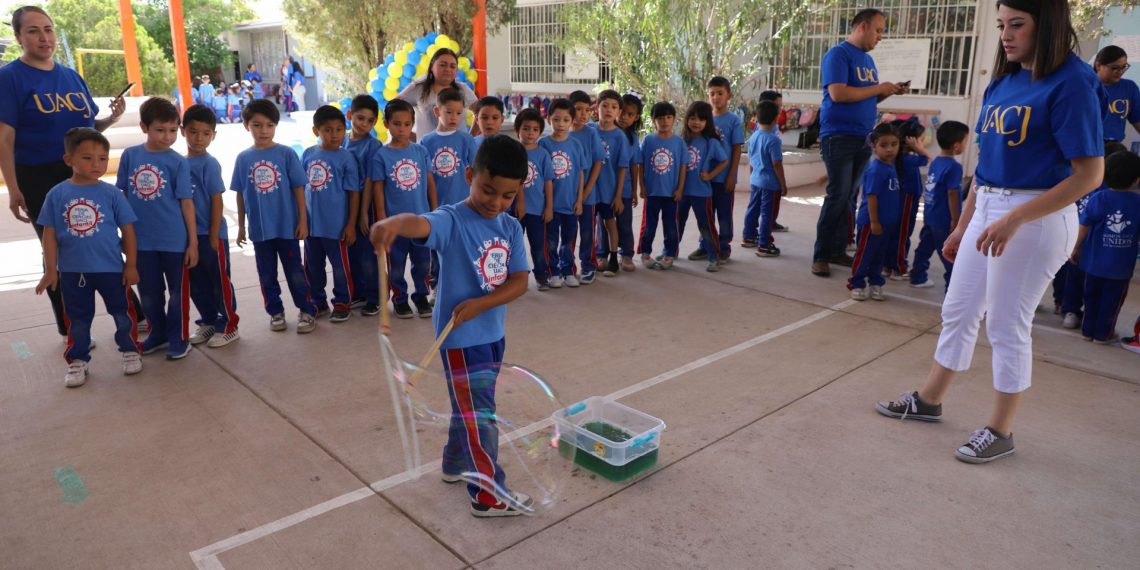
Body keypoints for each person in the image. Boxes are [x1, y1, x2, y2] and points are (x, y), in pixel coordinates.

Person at [876, 0, 1106, 464]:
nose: (1006, 35)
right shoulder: (1004, 80)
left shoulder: (1073, 82)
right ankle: (930, 399)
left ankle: (1001, 429)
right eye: (1002, 25)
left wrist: (1016, 218)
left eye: (1017, 25)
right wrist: (964, 225)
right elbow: (984, 167)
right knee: (959, 310)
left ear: (1048, 25)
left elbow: (1089, 175)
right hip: (990, 209)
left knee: (1006, 324)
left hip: (1035, 216)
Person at [369, 135, 533, 517]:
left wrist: (482, 304)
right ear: (469, 175)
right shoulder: (453, 219)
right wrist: (394, 222)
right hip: (459, 340)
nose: (496, 203)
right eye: (488, 190)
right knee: (481, 413)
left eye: (507, 196)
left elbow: (519, 281)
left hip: (492, 333)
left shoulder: (510, 228)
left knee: (471, 406)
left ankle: (455, 462)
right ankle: (488, 493)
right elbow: (421, 224)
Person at [1, 5, 129, 337]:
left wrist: (112, 118)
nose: (44, 37)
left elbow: (88, 126)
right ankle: (71, 326)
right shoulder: (9, 77)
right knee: (55, 247)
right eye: (33, 31)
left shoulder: (71, 75)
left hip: (83, 172)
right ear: (18, 37)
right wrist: (14, 187)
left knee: (103, 238)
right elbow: (5, 136)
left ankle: (130, 313)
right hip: (38, 175)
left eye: (48, 29)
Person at [36, 128, 142, 386]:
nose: (96, 164)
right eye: (87, 158)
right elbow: (49, 235)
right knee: (78, 318)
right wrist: (51, 270)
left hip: (111, 269)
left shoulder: (112, 194)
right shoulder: (57, 194)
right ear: (69, 160)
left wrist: (131, 265)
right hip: (73, 272)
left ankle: (130, 350)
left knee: (122, 313)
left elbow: (128, 230)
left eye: (102, 158)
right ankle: (77, 360)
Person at [813, 8, 907, 278]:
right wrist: (879, 87)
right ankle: (820, 255)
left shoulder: (867, 61)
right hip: (839, 135)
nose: (880, 37)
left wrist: (886, 92)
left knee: (849, 197)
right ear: (863, 26)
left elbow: (866, 97)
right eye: (878, 30)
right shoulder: (838, 54)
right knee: (838, 195)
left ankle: (837, 249)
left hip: (863, 136)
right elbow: (839, 93)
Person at [115, 97, 198, 360]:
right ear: (144, 127)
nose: (167, 136)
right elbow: (123, 197)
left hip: (174, 240)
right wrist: (123, 236)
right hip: (141, 242)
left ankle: (178, 337)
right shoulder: (130, 156)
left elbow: (186, 203)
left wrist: (193, 242)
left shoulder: (178, 162)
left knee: (177, 293)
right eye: (160, 129)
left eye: (173, 130)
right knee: (149, 294)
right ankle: (158, 333)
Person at [231, 99, 318, 333]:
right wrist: (241, 227)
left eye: (269, 125)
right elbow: (240, 194)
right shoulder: (243, 158)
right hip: (260, 231)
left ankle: (307, 310)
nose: (264, 131)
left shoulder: (286, 154)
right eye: (257, 125)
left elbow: (299, 188)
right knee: (266, 274)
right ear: (246, 126)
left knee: (295, 272)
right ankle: (275, 312)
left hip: (287, 228)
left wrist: (302, 220)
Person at [371, 99, 437, 318]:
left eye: (407, 124)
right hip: (394, 223)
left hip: (421, 221)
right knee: (396, 264)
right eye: (397, 123)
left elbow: (430, 183)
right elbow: (378, 189)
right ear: (386, 124)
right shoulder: (381, 155)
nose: (402, 129)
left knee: (423, 263)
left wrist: (435, 212)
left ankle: (421, 296)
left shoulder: (420, 151)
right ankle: (400, 298)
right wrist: (382, 218)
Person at [182, 104, 241, 349]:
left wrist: (214, 234)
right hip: (189, 237)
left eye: (206, 133)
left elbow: (216, 200)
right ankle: (207, 320)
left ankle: (229, 325)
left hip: (210, 235)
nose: (199, 138)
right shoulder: (178, 163)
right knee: (197, 282)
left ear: (213, 136)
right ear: (183, 131)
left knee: (219, 281)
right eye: (194, 132)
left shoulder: (209, 164)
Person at [1070, 150, 1140, 343]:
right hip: (1120, 268)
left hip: (1093, 263)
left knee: (1090, 297)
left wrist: (1075, 248)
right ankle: (1103, 334)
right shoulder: (1138, 203)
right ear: (1137, 180)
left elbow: (1084, 225)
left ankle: (1087, 331)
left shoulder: (1098, 198)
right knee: (1111, 302)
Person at [1059, 141, 1127, 328]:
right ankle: (1091, 322)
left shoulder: (1083, 181)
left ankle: (1070, 311)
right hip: (1092, 245)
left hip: (1076, 240)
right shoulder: (1111, 192)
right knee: (1093, 285)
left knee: (1074, 278)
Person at [303, 105, 361, 322]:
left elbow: (354, 193)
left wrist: (350, 224)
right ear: (316, 131)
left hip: (337, 227)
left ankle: (342, 302)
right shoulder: (308, 154)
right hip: (311, 227)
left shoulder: (346, 158)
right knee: (312, 267)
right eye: (328, 130)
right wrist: (301, 219)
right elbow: (300, 189)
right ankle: (318, 303)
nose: (334, 134)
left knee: (340, 269)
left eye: (339, 129)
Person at [421, 88, 478, 292]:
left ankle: (464, 285)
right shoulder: (426, 142)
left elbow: (476, 173)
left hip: (462, 206)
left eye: (458, 113)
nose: (454, 117)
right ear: (437, 112)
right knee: (436, 248)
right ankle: (437, 286)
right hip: (437, 207)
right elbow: (425, 178)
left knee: (462, 247)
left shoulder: (466, 140)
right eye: (449, 112)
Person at [909, 120, 970, 291]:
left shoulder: (936, 161)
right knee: (950, 256)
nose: (966, 144)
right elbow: (952, 194)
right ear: (956, 146)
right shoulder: (954, 167)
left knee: (924, 248)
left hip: (930, 215)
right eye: (966, 141)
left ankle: (918, 276)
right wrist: (956, 220)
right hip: (943, 220)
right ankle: (952, 289)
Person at [848, 123, 901, 301]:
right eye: (884, 145)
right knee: (865, 254)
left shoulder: (890, 165)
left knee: (880, 254)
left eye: (894, 144)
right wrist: (874, 222)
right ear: (874, 145)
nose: (890, 149)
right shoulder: (876, 169)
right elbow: (871, 197)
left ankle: (875, 282)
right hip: (871, 223)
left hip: (887, 221)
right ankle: (857, 283)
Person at [343, 94, 383, 316]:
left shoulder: (373, 145)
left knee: (368, 252)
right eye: (359, 118)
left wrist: (364, 215)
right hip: (343, 203)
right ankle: (357, 292)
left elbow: (369, 180)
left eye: (369, 121)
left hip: (364, 204)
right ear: (350, 115)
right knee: (350, 251)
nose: (364, 124)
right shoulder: (340, 139)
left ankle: (374, 297)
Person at [538, 98, 586, 288]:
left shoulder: (576, 145)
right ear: (549, 119)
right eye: (556, 119)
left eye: (566, 120)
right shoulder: (543, 144)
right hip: (549, 205)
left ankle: (568, 270)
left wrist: (580, 200)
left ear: (572, 121)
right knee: (550, 240)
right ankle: (553, 272)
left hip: (570, 203)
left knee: (569, 239)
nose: (561, 124)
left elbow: (581, 174)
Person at [676, 101, 728, 272]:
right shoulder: (682, 141)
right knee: (677, 223)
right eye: (692, 118)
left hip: (701, 193)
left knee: (705, 225)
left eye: (701, 119)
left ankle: (713, 257)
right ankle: (670, 251)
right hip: (682, 192)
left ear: (707, 122)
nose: (696, 122)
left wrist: (710, 175)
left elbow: (724, 161)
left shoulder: (711, 142)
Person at [697, 76, 744, 264]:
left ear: (728, 95)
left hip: (724, 179)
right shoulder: (704, 119)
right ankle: (705, 246)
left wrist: (731, 175)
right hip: (705, 179)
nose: (716, 97)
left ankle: (723, 247)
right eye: (712, 94)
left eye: (720, 93)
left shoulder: (733, 120)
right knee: (705, 215)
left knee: (724, 215)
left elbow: (736, 148)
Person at [637, 101, 688, 270]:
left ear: (674, 119)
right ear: (653, 120)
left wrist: (680, 188)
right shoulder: (648, 140)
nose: (665, 121)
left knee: (671, 226)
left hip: (671, 195)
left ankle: (669, 254)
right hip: (652, 193)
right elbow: (641, 164)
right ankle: (645, 253)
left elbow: (683, 167)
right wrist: (642, 185)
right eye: (660, 118)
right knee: (649, 226)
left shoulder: (679, 142)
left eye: (668, 117)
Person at [884, 119, 931, 280]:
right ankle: (898, 268)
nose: (923, 142)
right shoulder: (907, 159)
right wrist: (919, 149)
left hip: (905, 198)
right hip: (907, 199)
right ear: (911, 141)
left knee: (895, 233)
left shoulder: (902, 157)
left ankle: (887, 265)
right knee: (902, 234)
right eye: (921, 139)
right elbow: (927, 158)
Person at [396, 48, 478, 140]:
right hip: (427, 152)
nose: (448, 69)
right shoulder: (418, 89)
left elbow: (480, 112)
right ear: (431, 66)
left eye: (452, 66)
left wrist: (470, 138)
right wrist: (408, 134)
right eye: (443, 65)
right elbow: (393, 107)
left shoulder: (462, 90)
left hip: (458, 151)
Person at [592, 90, 631, 277]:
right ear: (596, 108)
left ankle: (614, 258)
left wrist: (618, 195)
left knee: (610, 224)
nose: (608, 110)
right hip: (589, 191)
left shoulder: (619, 136)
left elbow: (623, 167)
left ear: (619, 112)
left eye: (614, 107)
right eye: (605, 105)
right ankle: (592, 258)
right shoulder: (589, 131)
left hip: (609, 191)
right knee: (589, 226)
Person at [514, 108, 554, 289]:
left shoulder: (543, 154)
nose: (530, 133)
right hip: (514, 209)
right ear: (517, 130)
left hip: (537, 209)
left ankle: (541, 274)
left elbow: (548, 182)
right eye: (526, 128)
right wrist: (519, 203)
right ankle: (513, 277)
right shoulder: (513, 151)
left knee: (538, 245)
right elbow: (515, 180)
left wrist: (549, 207)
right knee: (514, 246)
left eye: (535, 129)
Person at [568, 90, 606, 284]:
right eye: (578, 109)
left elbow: (598, 161)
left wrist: (587, 190)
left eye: (587, 110)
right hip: (565, 196)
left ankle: (588, 266)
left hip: (587, 196)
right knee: (568, 233)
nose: (583, 114)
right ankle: (568, 268)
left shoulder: (590, 133)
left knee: (587, 232)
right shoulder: (562, 131)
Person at [742, 100, 787, 258]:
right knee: (767, 214)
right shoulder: (774, 140)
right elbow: (777, 164)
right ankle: (764, 244)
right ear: (776, 119)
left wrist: (752, 176)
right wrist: (783, 184)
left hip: (755, 180)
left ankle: (748, 236)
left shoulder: (754, 137)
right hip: (770, 184)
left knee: (752, 209)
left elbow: (751, 159)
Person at [614, 94, 644, 272]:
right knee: (604, 224)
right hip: (604, 189)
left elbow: (634, 165)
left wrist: (634, 190)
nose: (624, 117)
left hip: (624, 189)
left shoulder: (633, 139)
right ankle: (604, 254)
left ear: (636, 117)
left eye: (630, 114)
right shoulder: (603, 132)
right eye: (622, 112)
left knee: (624, 222)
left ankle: (626, 254)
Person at [1094, 45, 1140, 142]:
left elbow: (1137, 120)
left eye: (1124, 67)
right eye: (1114, 68)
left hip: (1114, 146)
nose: (1120, 71)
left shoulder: (1129, 87)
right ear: (1098, 66)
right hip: (1087, 146)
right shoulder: (1085, 87)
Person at [759, 89, 789, 232]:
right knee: (767, 207)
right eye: (777, 106)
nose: (779, 110)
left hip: (765, 176)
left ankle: (770, 223)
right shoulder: (764, 131)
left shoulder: (774, 127)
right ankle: (764, 238)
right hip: (769, 176)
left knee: (770, 205)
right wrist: (783, 183)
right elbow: (775, 162)